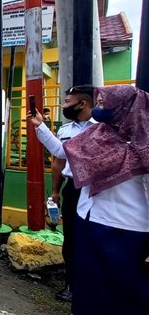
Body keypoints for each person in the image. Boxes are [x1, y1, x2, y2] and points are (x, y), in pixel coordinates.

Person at [63, 85, 149, 315]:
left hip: (124, 230)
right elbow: (63, 154)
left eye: (103, 104)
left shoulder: (144, 147)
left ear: (124, 107)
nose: (99, 108)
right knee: (88, 288)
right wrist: (39, 127)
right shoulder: (96, 135)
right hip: (87, 221)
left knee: (121, 293)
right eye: (98, 103)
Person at [27, 85, 96, 303]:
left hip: (96, 191)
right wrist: (56, 191)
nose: (64, 106)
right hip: (73, 189)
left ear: (82, 103)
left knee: (93, 239)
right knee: (72, 239)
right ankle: (72, 284)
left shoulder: (102, 129)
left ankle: (93, 283)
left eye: (67, 102)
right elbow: (59, 156)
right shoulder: (67, 130)